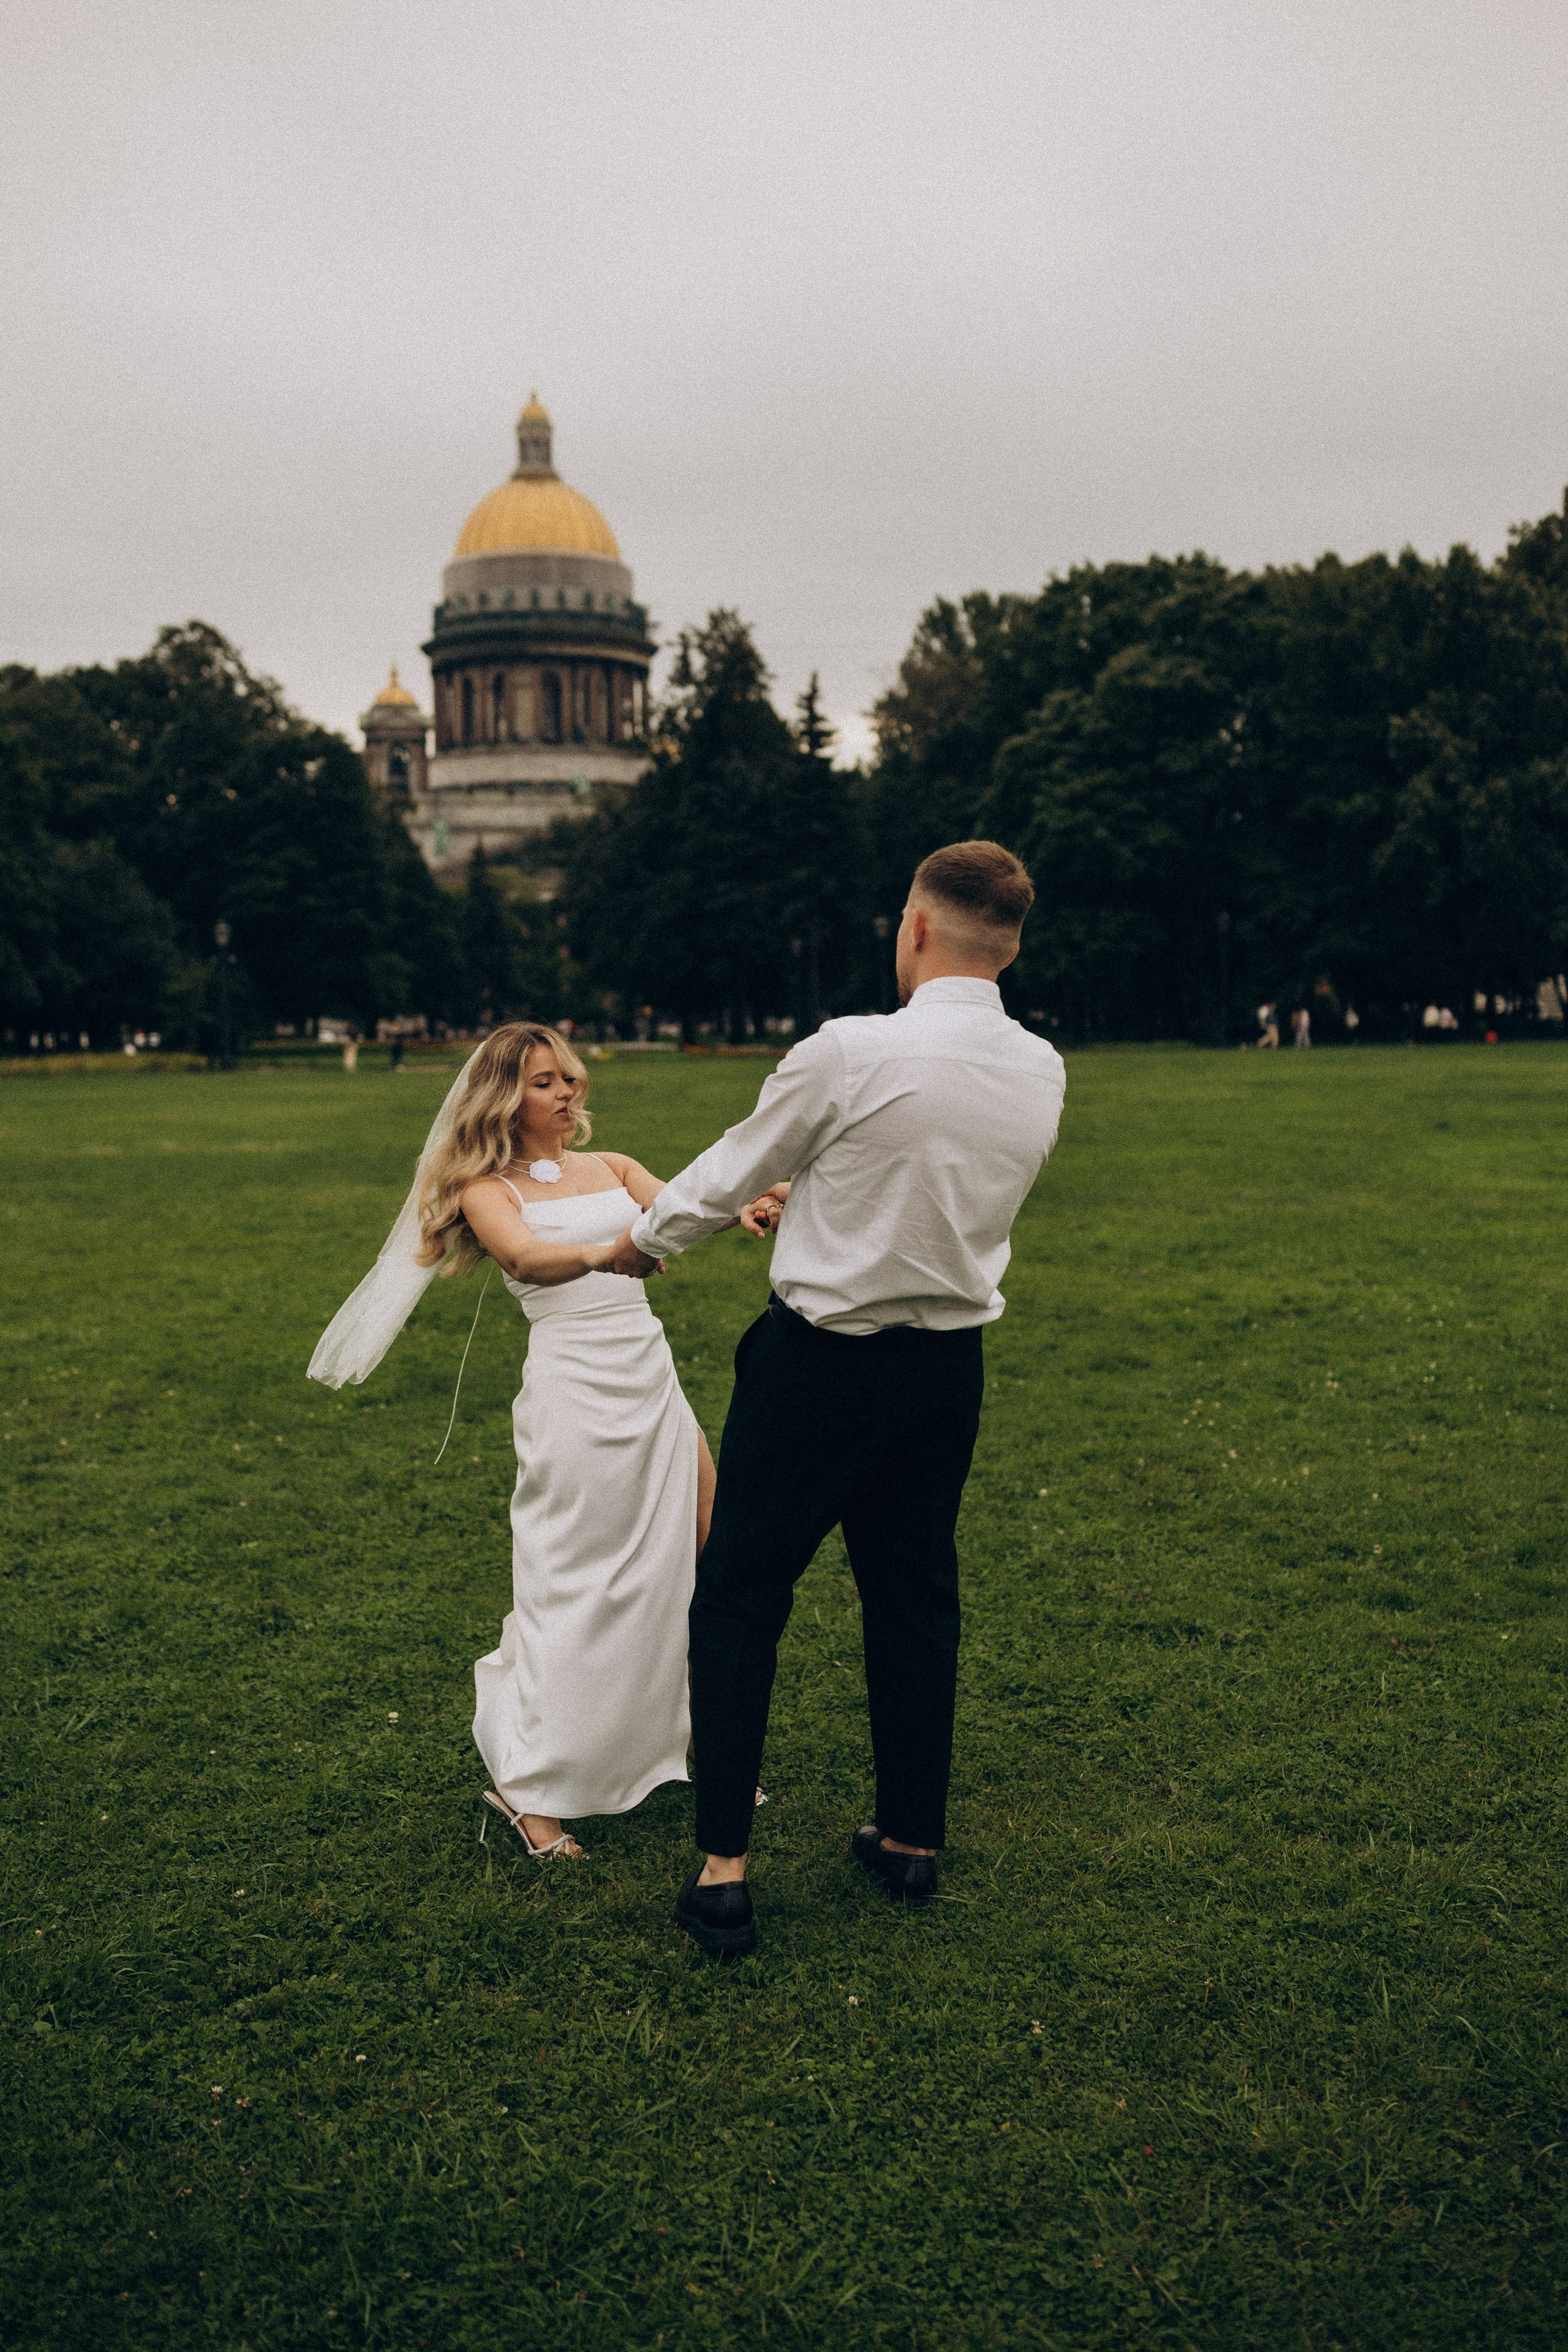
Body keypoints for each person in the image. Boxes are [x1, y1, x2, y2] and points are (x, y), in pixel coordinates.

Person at [605, 842, 1066, 1958]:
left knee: (742, 1598)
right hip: (947, 1370)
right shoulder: (1042, 1066)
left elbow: (731, 1167)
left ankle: (724, 1872)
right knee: (914, 1600)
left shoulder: (851, 1050)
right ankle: (910, 1841)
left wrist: (641, 1240)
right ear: (1008, 945)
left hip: (821, 1364)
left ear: (915, 928)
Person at [308, 1023, 749, 1862]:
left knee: (702, 1557)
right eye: (545, 1082)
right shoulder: (484, 1185)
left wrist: (752, 1201)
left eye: (569, 1077)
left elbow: (681, 1209)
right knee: (575, 1579)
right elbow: (525, 1260)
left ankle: (692, 1739)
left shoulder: (612, 1167)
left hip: (650, 1382)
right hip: (573, 1391)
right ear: (506, 1098)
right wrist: (608, 1252)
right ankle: (527, 1788)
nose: (568, 1091)